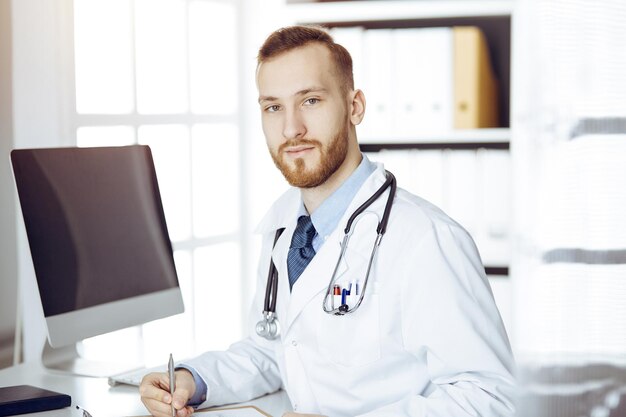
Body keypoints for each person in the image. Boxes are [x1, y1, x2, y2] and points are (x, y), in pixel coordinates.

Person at [139, 25, 515, 417]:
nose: (290, 128)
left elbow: (491, 397)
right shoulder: (286, 230)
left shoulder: (427, 239)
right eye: (273, 107)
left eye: (311, 100)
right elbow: (275, 350)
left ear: (355, 107)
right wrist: (192, 380)